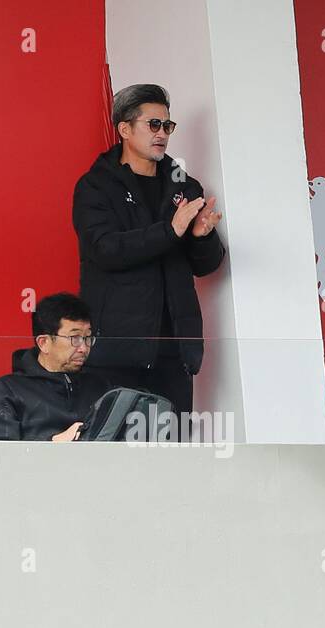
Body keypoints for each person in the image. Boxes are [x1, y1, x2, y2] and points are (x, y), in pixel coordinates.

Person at [72, 83, 225, 416]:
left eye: (167, 126)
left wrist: (201, 236)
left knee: (173, 458)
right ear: (125, 129)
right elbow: (106, 250)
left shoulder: (185, 185)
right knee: (113, 456)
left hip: (174, 351)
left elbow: (206, 265)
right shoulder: (95, 186)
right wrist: (170, 230)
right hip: (115, 350)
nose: (163, 134)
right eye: (153, 125)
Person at [0, 293, 112, 441]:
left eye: (87, 338)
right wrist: (53, 443)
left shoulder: (101, 388)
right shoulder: (7, 390)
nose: (83, 348)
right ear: (43, 343)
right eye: (75, 338)